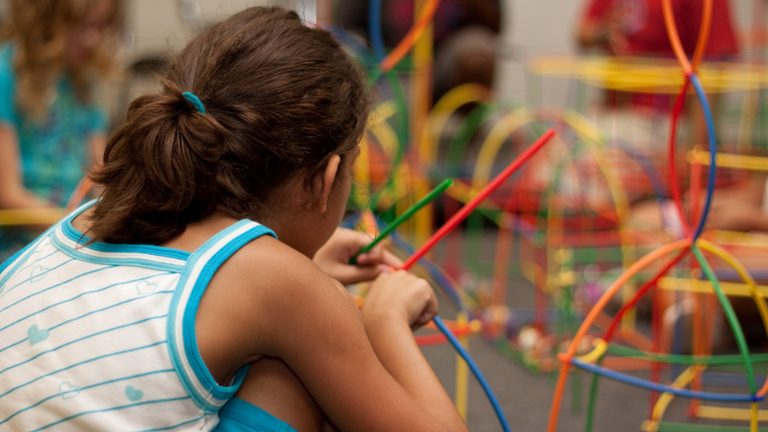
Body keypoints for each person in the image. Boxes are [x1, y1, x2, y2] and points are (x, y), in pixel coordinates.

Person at [0, 6, 469, 432]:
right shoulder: (286, 286)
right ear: (325, 180)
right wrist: (385, 319)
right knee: (292, 371)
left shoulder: (95, 214)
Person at [0, 0, 121, 262]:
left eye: (100, 26)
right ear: (44, 18)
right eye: (82, 26)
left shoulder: (85, 83)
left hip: (73, 236)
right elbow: (7, 193)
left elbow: (99, 178)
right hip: (19, 249)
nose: (92, 38)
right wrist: (80, 229)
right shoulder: (6, 75)